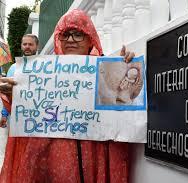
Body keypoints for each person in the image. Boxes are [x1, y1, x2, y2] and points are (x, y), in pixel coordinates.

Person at [0, 9, 135, 183]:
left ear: (90, 39)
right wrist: (13, 95)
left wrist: (126, 68)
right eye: (65, 34)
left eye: (78, 34)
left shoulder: (106, 72)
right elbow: (26, 115)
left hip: (92, 157)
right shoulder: (40, 72)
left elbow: (122, 109)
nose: (71, 39)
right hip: (46, 159)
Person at [0, 34, 39, 127]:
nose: (27, 47)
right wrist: (4, 115)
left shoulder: (46, 67)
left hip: (38, 117)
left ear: (37, 46)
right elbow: (6, 94)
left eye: (30, 44)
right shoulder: (14, 68)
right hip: (17, 117)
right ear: (21, 46)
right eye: (25, 44)